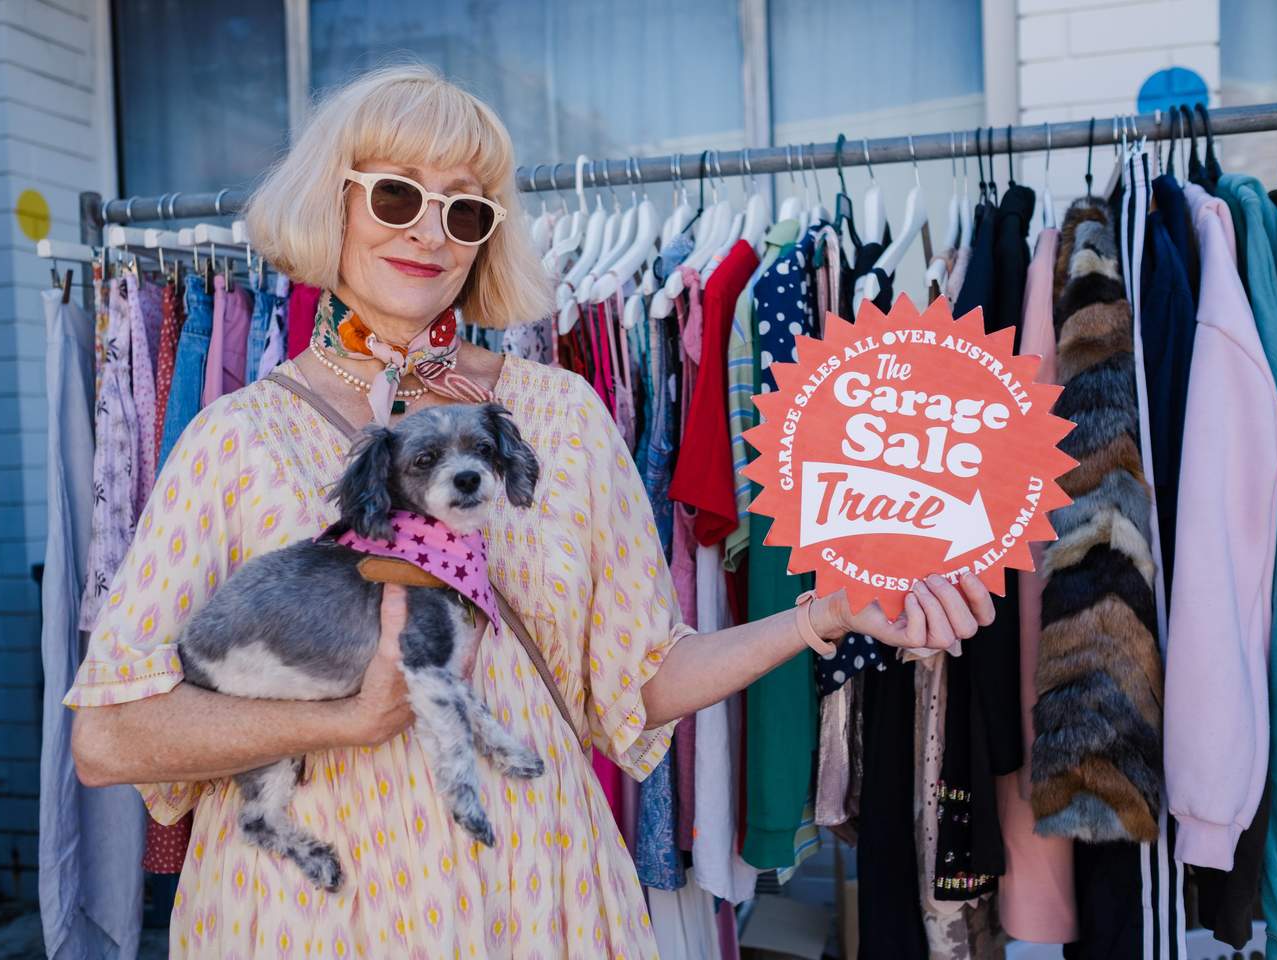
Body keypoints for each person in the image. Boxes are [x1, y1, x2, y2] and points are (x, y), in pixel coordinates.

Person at [66, 63, 994, 958]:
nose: (428, 231)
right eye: (396, 195)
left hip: (542, 901)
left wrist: (821, 615)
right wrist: (343, 719)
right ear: (333, 203)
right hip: (309, 918)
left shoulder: (558, 412)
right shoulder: (238, 439)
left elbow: (644, 676)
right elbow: (111, 737)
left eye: (463, 208)